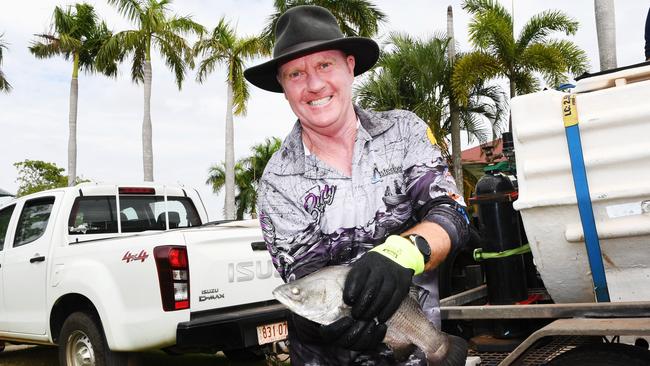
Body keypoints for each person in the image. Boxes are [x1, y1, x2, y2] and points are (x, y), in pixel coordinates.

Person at [244, 5, 469, 365]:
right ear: (283, 88)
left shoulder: (404, 132)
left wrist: (402, 255)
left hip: (419, 350)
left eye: (324, 65)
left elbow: (452, 213)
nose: (314, 85)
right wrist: (324, 326)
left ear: (350, 66)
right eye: (296, 73)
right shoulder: (277, 182)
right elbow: (305, 279)